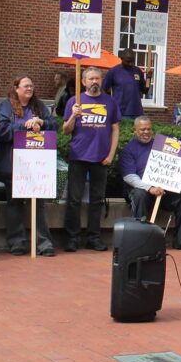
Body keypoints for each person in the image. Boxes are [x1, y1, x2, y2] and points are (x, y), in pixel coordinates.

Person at [0, 74, 58, 256]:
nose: (30, 89)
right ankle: (17, 242)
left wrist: (41, 122)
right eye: (25, 86)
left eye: (31, 85)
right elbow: (3, 131)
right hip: (12, 163)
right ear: (16, 88)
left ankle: (43, 243)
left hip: (37, 165)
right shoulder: (6, 106)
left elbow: (54, 125)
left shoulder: (39, 106)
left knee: (39, 204)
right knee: (14, 204)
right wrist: (26, 126)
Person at [62, 67, 121, 252]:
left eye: (98, 78)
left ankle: (93, 237)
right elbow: (65, 130)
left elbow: (115, 130)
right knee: (74, 199)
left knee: (97, 200)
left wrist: (111, 155)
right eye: (91, 79)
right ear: (83, 82)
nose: (95, 81)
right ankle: (72, 238)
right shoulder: (74, 101)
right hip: (78, 156)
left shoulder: (110, 102)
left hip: (100, 158)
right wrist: (73, 114)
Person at [119, 116, 181, 251]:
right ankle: (141, 242)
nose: (146, 132)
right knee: (139, 195)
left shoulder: (161, 145)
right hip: (140, 189)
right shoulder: (128, 149)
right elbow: (129, 177)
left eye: (149, 129)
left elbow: (173, 167)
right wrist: (150, 188)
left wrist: (176, 180)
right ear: (135, 130)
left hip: (162, 188)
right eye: (142, 129)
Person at [102, 48, 150, 119]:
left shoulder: (137, 71)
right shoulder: (113, 71)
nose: (130, 63)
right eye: (128, 61)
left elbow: (145, 91)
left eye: (132, 61)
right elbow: (104, 89)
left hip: (137, 112)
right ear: (121, 58)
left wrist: (149, 79)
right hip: (120, 112)